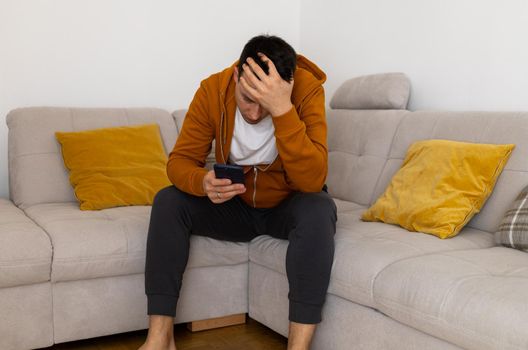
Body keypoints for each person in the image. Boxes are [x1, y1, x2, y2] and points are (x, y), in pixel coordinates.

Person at [139, 34, 337, 350]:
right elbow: (179, 162)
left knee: (319, 208)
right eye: (247, 99)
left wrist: (283, 110)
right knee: (168, 201)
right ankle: (159, 339)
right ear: (236, 76)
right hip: (235, 205)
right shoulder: (213, 89)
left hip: (285, 207)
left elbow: (313, 179)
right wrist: (202, 181)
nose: (255, 114)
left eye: (265, 105)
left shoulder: (307, 90)